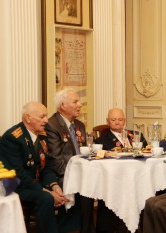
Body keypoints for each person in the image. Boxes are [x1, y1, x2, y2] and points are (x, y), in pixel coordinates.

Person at [0, 101, 69, 233]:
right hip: (14, 185)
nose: (46, 120)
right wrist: (45, 191)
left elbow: (46, 166)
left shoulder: (42, 136)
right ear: (28, 118)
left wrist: (54, 186)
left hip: (33, 183)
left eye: (46, 116)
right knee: (46, 198)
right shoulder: (12, 138)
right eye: (42, 117)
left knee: (65, 190)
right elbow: (17, 174)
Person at [45, 88, 95, 233]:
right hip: (61, 174)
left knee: (99, 184)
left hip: (81, 172)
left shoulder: (79, 125)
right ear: (62, 105)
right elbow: (56, 159)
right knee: (85, 189)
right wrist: (75, 176)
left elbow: (84, 151)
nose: (79, 105)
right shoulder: (52, 125)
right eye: (75, 102)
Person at [95, 107, 147, 233]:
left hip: (138, 176)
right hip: (116, 179)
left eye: (120, 119)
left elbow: (147, 151)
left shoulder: (135, 135)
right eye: (113, 120)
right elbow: (99, 158)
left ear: (124, 120)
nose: (117, 122)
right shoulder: (101, 140)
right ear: (108, 121)